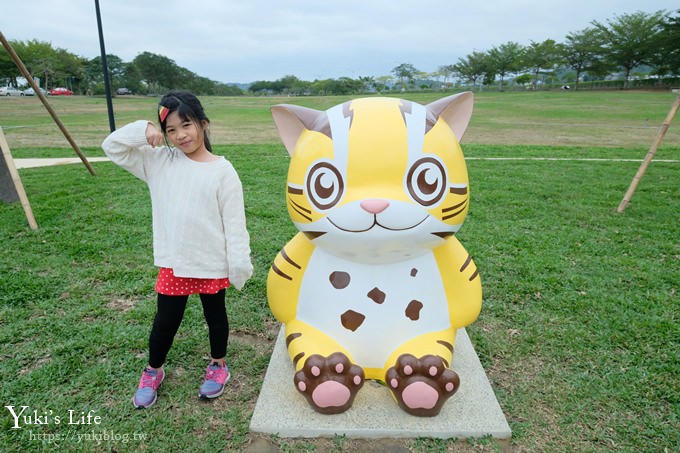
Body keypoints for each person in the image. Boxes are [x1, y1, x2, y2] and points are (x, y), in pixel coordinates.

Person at [102, 90, 253, 408]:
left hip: (211, 260)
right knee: (165, 321)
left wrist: (238, 263)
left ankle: (218, 366)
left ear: (203, 123)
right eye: (171, 130)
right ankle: (153, 370)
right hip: (175, 262)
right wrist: (143, 128)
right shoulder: (159, 162)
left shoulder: (222, 171)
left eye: (186, 125)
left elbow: (235, 223)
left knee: (216, 317)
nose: (180, 135)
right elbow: (112, 146)